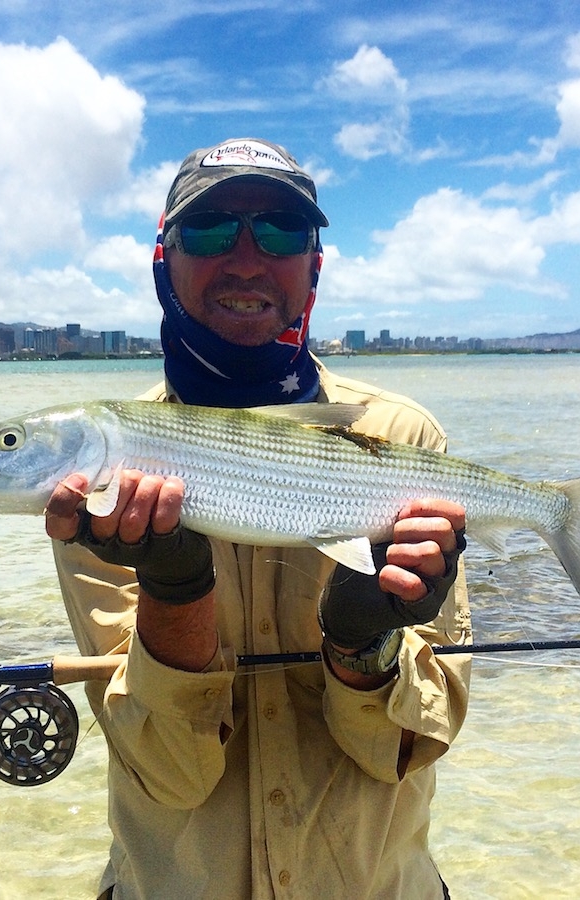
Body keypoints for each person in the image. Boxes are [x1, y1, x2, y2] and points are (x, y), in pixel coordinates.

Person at [46, 138, 472, 900]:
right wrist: (174, 594)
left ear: (314, 265)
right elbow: (172, 773)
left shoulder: (400, 442)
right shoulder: (104, 474)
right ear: (162, 258)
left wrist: (362, 643)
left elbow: (411, 746)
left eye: (280, 231)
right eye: (210, 231)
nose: (246, 260)